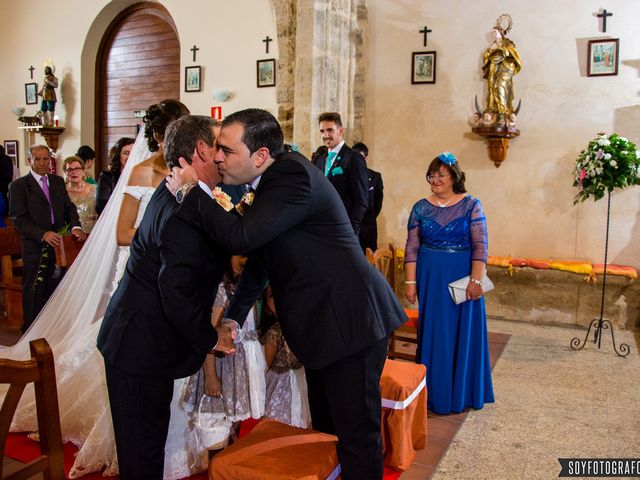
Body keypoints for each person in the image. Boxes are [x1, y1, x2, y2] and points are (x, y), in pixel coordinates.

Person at [167, 108, 407, 480]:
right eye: (216, 149)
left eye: (227, 151)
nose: (217, 157)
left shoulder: (291, 175)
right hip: (323, 325)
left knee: (357, 436)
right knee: (328, 432)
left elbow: (240, 237)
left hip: (350, 321)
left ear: (260, 156)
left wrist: (189, 190)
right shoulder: (269, 183)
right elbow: (261, 261)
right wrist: (232, 314)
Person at [97, 115, 237, 479]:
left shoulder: (185, 196)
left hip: (144, 340)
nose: (222, 156)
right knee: (142, 452)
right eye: (219, 146)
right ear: (201, 150)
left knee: (147, 444)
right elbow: (175, 293)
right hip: (138, 344)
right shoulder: (180, 210)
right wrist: (211, 339)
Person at [403, 152, 494, 415]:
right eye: (432, 175)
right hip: (430, 277)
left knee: (462, 331)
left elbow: (480, 246)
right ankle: (435, 393)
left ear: (454, 177)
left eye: (441, 175)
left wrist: (476, 280)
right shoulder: (420, 207)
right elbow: (411, 248)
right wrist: (410, 281)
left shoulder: (471, 205)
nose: (435, 180)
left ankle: (462, 391)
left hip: (462, 277)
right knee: (435, 332)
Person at [8, 145, 87, 332]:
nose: (43, 163)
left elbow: (69, 208)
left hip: (59, 244)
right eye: (38, 159)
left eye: (46, 159)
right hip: (34, 245)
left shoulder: (58, 181)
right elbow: (19, 219)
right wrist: (42, 234)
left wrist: (76, 227)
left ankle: (53, 329)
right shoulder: (19, 186)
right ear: (29, 161)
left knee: (56, 288)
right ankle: (31, 331)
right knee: (34, 289)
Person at [115, 100, 189, 248]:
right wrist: (170, 237)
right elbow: (122, 235)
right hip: (144, 258)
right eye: (173, 134)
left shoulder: (188, 170)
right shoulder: (141, 172)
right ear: (157, 136)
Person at [260, 286, 311, 428]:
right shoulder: (275, 332)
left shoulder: (305, 326)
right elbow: (265, 366)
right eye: (272, 296)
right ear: (267, 308)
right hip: (281, 388)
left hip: (302, 382)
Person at [312, 112, 369, 235]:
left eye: (330, 130)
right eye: (322, 131)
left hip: (344, 230)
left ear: (341, 130)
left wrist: (350, 230)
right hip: (320, 229)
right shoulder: (319, 159)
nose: (325, 135)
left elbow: (361, 201)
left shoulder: (354, 158)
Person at [482, 15, 521, 119]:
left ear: (500, 33)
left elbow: (512, 53)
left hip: (505, 68)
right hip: (494, 68)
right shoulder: (492, 45)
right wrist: (490, 51)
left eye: (495, 32)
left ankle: (503, 110)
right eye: (492, 33)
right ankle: (494, 109)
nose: (493, 34)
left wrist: (502, 50)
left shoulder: (508, 43)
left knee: (500, 85)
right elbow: (486, 57)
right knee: (493, 86)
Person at [352, 142, 384, 252]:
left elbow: (378, 203)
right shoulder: (347, 176)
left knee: (369, 263)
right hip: (351, 229)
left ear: (366, 158)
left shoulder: (375, 177)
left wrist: (368, 218)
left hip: (368, 229)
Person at [95, 137, 135, 215]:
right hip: (112, 219)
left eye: (133, 153)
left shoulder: (143, 177)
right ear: (118, 155)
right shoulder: (107, 177)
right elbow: (100, 207)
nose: (130, 157)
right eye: (126, 153)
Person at [63, 156, 97, 233]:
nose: (74, 172)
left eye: (77, 169)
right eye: (70, 169)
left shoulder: (95, 189)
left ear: (83, 170)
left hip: (92, 233)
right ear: (65, 172)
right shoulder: (61, 191)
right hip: (70, 234)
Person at [0, 145, 13, 216]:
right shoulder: (8, 158)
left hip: (1, 181)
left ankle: (3, 212)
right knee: (5, 196)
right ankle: (6, 212)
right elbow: (10, 170)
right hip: (6, 181)